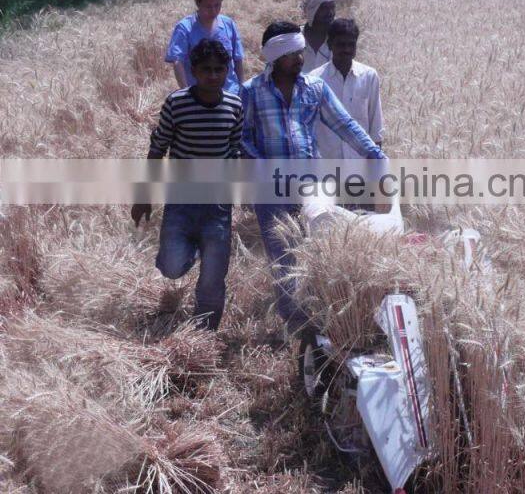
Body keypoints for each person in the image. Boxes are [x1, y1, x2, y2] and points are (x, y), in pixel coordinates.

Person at [240, 21, 385, 334]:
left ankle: (325, 317)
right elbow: (241, 136)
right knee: (284, 258)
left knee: (321, 245)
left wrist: (374, 154)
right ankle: (298, 328)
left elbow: (345, 125)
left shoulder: (315, 89)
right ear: (275, 57)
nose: (300, 58)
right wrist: (260, 163)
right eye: (293, 54)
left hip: (312, 183)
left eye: (300, 52)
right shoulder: (251, 92)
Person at [132, 39, 244, 331]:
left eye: (219, 69)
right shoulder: (177, 103)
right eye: (206, 69)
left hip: (217, 204)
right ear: (193, 71)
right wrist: (144, 195)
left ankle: (204, 335)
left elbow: (234, 151)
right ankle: (192, 250)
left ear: (227, 70)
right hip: (181, 200)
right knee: (170, 267)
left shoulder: (234, 105)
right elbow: (157, 150)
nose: (212, 75)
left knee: (213, 277)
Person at [309, 18, 383, 159]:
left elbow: (376, 126)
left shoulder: (369, 76)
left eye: (351, 45)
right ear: (330, 45)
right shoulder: (315, 80)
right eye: (341, 45)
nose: (347, 50)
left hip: (359, 165)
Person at [165, 0, 245, 95]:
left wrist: (242, 89)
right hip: (199, 97)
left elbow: (238, 59)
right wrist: (186, 93)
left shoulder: (229, 24)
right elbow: (178, 62)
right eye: (208, 6)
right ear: (197, 3)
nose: (213, 11)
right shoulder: (185, 28)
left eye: (217, 5)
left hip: (230, 93)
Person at [300, 0, 337, 75]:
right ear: (312, 10)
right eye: (324, 8)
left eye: (332, 7)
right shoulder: (296, 38)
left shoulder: (338, 40)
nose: (330, 13)